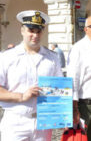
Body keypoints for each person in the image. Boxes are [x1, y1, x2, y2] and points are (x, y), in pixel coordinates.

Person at [0, 10, 63, 141]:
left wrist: (64, 115)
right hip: (15, 121)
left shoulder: (52, 58)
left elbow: (60, 89)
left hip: (43, 123)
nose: (35, 35)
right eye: (31, 30)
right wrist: (21, 96)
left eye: (38, 31)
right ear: (22, 30)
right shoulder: (6, 57)